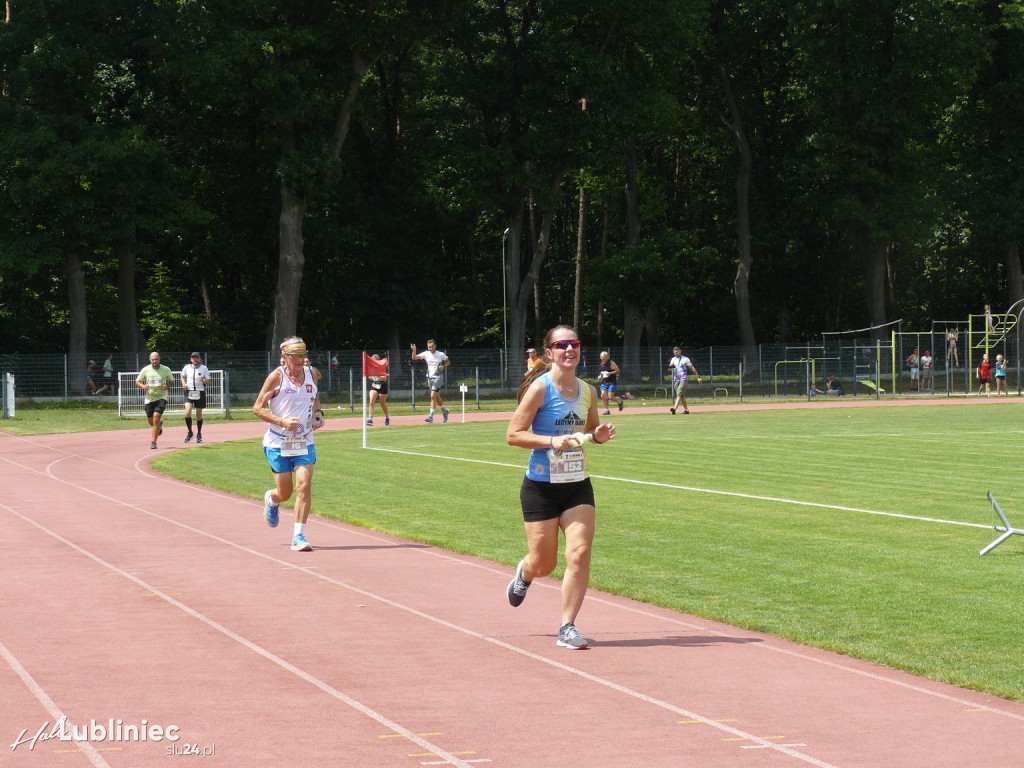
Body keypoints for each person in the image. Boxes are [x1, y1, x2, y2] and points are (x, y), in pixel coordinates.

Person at [505, 325, 616, 650]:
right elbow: (513, 434)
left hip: (577, 486)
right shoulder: (540, 389)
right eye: (562, 344)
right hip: (541, 488)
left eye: (575, 344)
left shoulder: (588, 391)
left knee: (580, 554)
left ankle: (567, 627)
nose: (570, 349)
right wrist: (552, 440)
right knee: (545, 564)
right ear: (550, 352)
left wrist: (599, 435)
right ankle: (525, 573)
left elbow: (590, 430)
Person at [253, 336, 324, 552]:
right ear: (285, 357)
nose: (300, 360)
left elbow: (314, 393)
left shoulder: (312, 373)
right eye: (296, 356)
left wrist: (318, 413)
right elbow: (257, 408)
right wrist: (282, 421)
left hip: (304, 440)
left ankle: (298, 536)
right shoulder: (276, 377)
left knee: (304, 484)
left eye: (303, 355)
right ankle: (272, 499)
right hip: (278, 442)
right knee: (285, 493)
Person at [135, 351, 174, 449]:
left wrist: (167, 386)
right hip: (149, 398)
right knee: (151, 421)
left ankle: (153, 441)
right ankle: (158, 427)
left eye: (156, 359)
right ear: (150, 360)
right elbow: (137, 381)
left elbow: (172, 381)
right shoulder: (146, 370)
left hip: (161, 397)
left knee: (156, 417)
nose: (155, 361)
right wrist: (143, 386)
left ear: (159, 359)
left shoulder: (166, 369)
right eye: (153, 359)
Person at [410, 339, 450, 423]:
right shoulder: (426, 354)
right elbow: (414, 358)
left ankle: (431, 416)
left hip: (438, 376)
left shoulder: (440, 354)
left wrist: (443, 366)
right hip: (429, 377)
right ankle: (445, 411)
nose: (430, 348)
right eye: (429, 347)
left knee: (432, 396)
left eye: (432, 346)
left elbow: (448, 362)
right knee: (436, 396)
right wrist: (414, 351)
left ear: (435, 346)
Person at [181, 352, 211, 443]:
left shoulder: (204, 368)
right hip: (189, 391)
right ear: (191, 359)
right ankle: (190, 432)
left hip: (200, 391)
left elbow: (209, 382)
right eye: (193, 357)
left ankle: (199, 433)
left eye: (196, 357)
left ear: (200, 359)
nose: (195, 359)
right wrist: (184, 384)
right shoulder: (187, 367)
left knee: (198, 414)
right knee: (187, 412)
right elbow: (182, 376)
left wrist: (204, 380)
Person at [667, 345, 701, 414]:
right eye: (674, 352)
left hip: (683, 379)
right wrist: (670, 367)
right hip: (676, 379)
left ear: (680, 351)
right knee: (681, 395)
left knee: (679, 394)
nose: (675, 353)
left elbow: (692, 368)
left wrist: (698, 377)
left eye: (677, 352)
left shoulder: (685, 359)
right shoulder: (673, 359)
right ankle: (686, 410)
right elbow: (669, 369)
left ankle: (674, 409)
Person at [367, 353, 390, 426]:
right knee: (371, 401)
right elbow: (369, 377)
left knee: (382, 403)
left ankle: (387, 417)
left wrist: (378, 377)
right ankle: (370, 419)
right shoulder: (371, 367)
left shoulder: (381, 367)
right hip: (374, 385)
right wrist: (371, 377)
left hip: (382, 385)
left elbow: (385, 377)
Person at [597, 351, 624, 415]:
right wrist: (600, 376)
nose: (602, 358)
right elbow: (602, 372)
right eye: (601, 357)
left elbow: (618, 371)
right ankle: (607, 410)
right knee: (603, 395)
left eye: (603, 357)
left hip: (611, 382)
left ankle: (619, 401)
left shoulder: (611, 363)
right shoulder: (601, 364)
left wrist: (610, 373)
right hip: (604, 382)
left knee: (610, 397)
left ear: (607, 357)